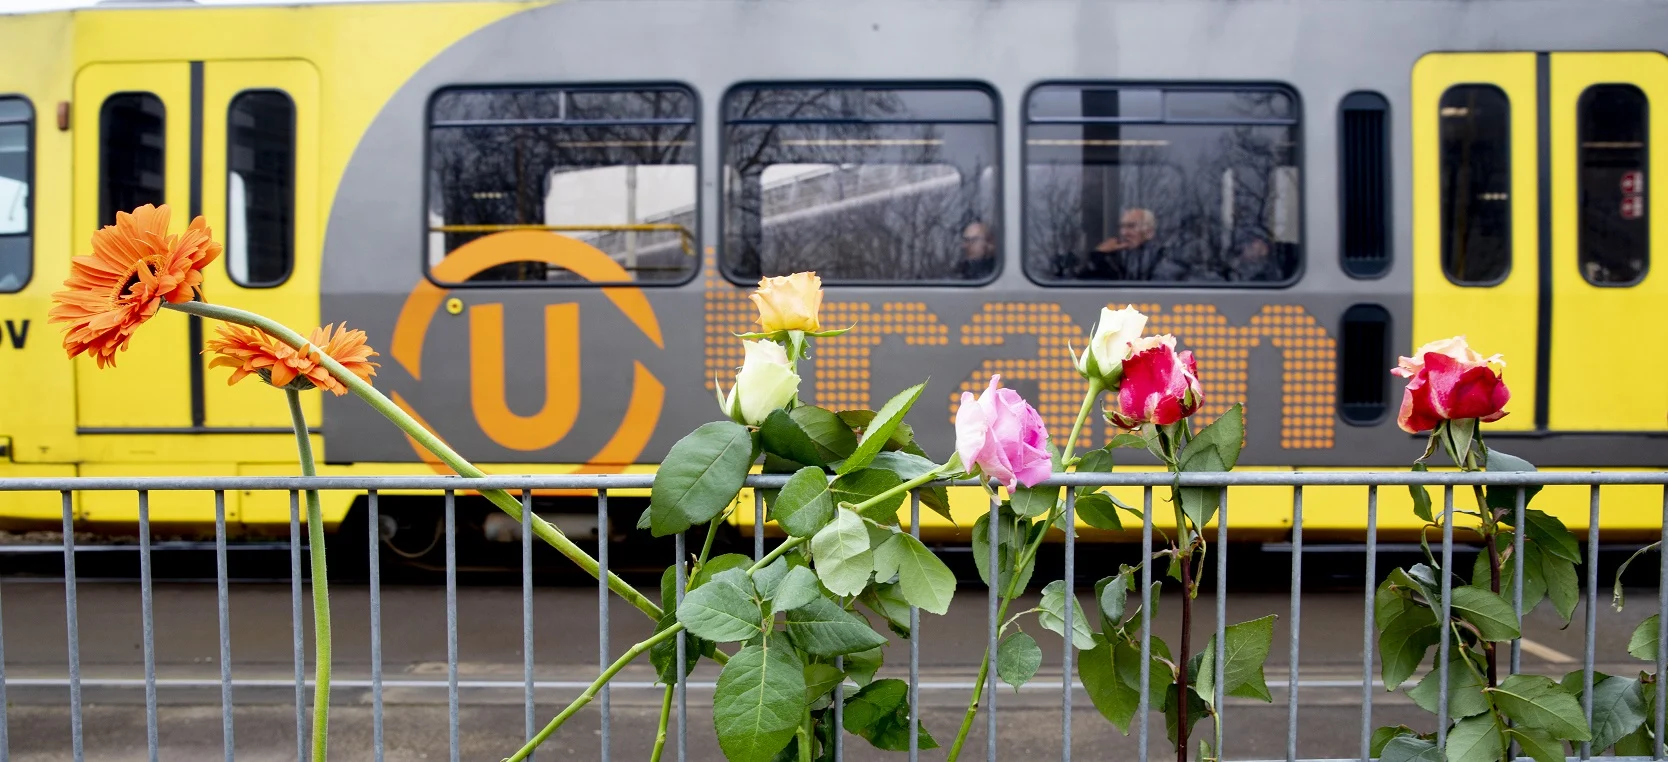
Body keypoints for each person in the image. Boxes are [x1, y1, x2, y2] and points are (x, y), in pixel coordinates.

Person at [1079, 208, 1184, 281]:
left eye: (1131, 226)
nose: (1124, 233)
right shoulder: (1114, 259)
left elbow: (1158, 293)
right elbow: (1084, 285)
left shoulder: (1164, 258)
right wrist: (1098, 256)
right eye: (1122, 227)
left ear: (1149, 232)